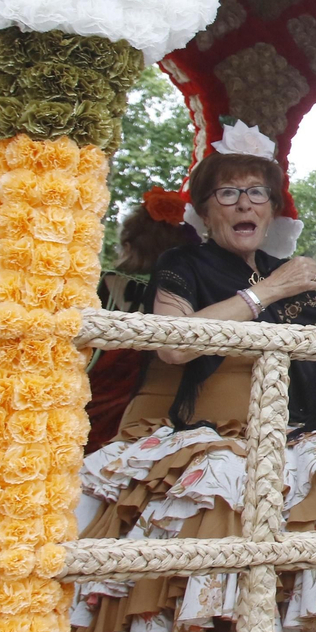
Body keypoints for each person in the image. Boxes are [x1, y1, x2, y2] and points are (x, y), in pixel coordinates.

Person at [68, 123, 316, 632]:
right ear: (204, 210)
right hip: (190, 424)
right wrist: (265, 292)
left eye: (256, 194)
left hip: (269, 425)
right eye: (228, 193)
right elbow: (173, 348)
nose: (244, 203)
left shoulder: (283, 269)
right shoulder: (182, 264)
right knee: (217, 477)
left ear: (272, 211)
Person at [85, 188, 198, 452]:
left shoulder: (98, 284)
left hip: (93, 404)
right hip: (157, 416)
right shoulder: (187, 296)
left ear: (128, 245)